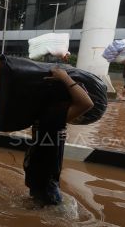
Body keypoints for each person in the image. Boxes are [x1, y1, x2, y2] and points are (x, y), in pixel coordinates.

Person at [24, 67, 94, 205]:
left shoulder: (41, 113)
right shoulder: (54, 116)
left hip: (36, 176)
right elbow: (87, 103)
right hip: (45, 182)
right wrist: (66, 78)